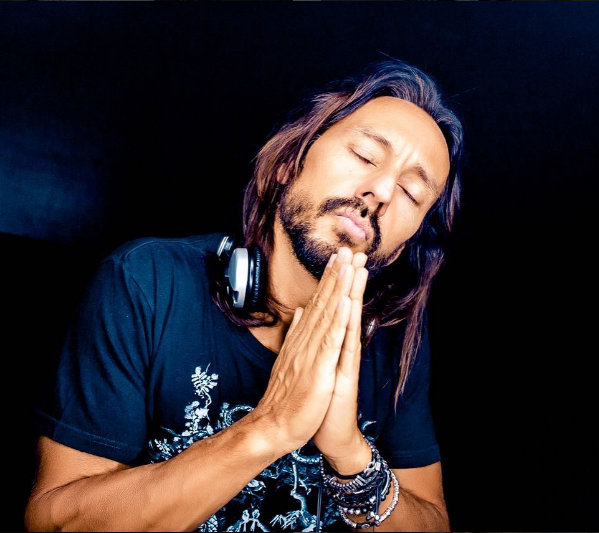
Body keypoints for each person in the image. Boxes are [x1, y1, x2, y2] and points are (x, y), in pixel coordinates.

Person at [25, 58, 463, 532]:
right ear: (288, 163)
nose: (381, 191)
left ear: (402, 247)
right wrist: (270, 427)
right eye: (364, 155)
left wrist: (351, 454)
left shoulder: (397, 341)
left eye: (411, 192)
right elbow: (55, 523)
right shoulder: (146, 281)